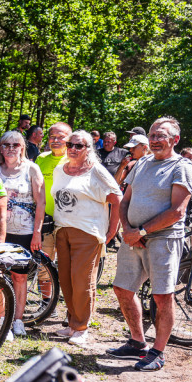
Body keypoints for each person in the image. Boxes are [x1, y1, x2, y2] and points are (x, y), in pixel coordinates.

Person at [109, 117, 192, 371]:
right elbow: (125, 201)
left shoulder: (181, 167)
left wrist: (143, 230)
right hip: (133, 237)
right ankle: (138, 342)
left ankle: (158, 352)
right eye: (153, 135)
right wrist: (127, 229)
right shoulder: (143, 162)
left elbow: (177, 211)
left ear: (175, 140)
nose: (155, 140)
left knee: (162, 295)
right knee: (122, 289)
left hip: (163, 239)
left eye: (162, 136)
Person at [51, 130, 122, 346]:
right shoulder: (59, 168)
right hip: (62, 230)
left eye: (78, 145)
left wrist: (111, 231)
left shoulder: (96, 171)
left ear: (88, 148)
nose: (72, 148)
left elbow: (116, 199)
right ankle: (72, 323)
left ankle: (82, 327)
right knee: (65, 279)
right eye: (70, 144)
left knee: (82, 281)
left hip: (87, 233)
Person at [0, 130, 44, 336]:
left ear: (22, 147)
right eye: (6, 145)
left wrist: (37, 233)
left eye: (15, 145)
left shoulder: (31, 169)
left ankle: (18, 320)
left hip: (24, 231)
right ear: (0, 148)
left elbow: (41, 202)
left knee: (19, 277)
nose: (11, 148)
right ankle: (0, 318)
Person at [35, 122, 71, 263]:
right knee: (44, 267)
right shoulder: (41, 158)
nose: (55, 140)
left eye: (60, 137)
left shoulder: (74, 159)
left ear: (70, 138)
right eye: (52, 136)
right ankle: (46, 286)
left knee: (65, 264)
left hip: (68, 222)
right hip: (45, 220)